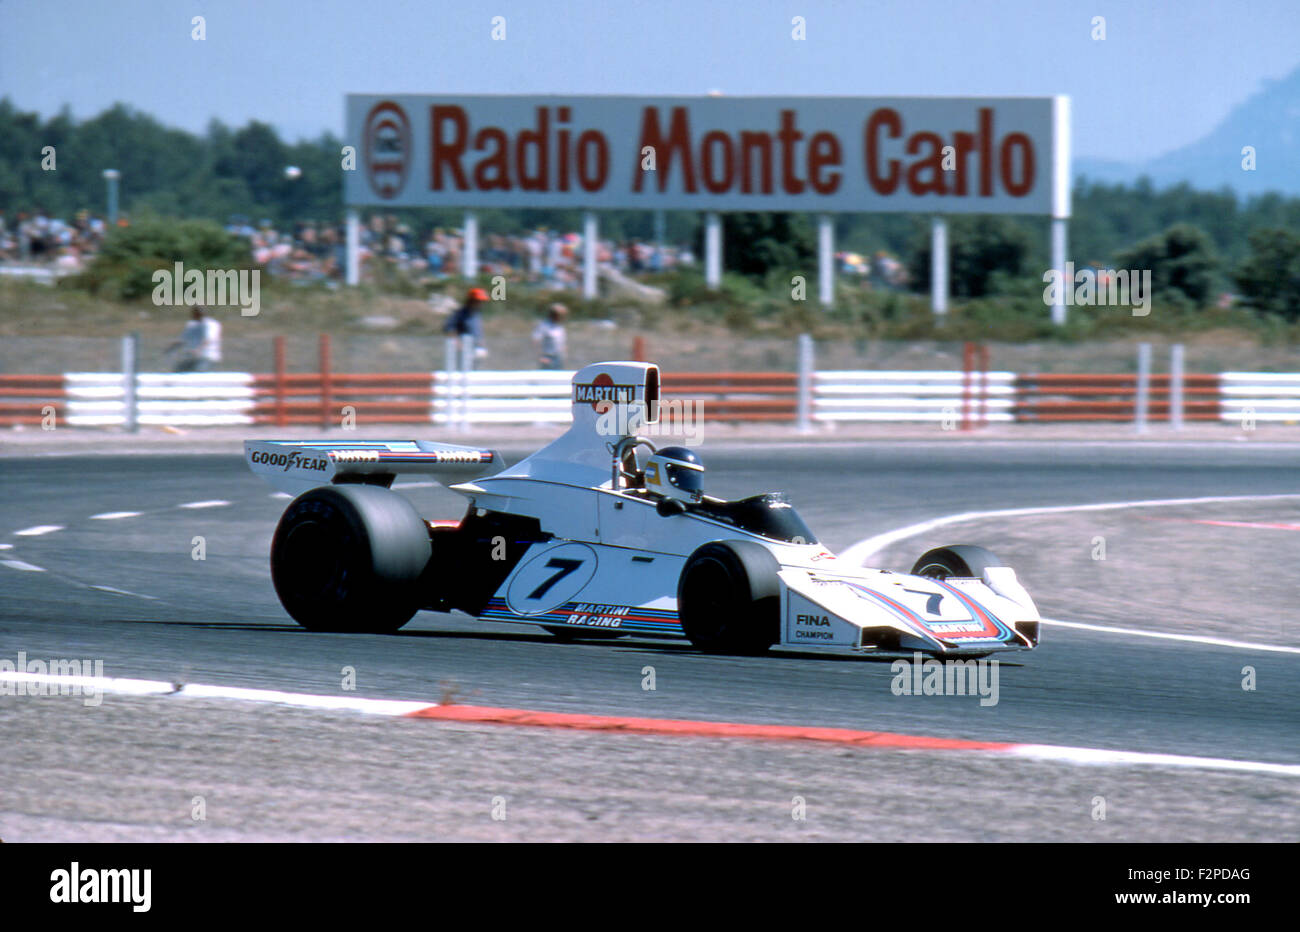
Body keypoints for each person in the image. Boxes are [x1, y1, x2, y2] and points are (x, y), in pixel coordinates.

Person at [168, 307, 222, 372]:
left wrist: (198, 350)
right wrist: (170, 348)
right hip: (192, 357)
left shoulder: (210, 324)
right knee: (178, 370)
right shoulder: (192, 325)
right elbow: (183, 340)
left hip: (207, 357)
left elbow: (208, 339)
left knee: (198, 372)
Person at [444, 287, 489, 360]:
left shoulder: (477, 314)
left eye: (481, 301)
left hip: (476, 350)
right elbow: (449, 328)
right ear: (471, 300)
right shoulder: (460, 314)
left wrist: (482, 345)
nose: (480, 304)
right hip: (463, 351)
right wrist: (457, 343)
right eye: (478, 301)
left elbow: (478, 332)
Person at [533, 303, 568, 370]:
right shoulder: (544, 326)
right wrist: (541, 357)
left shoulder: (560, 327)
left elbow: (562, 342)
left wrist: (564, 355)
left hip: (558, 358)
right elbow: (536, 341)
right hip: (547, 359)